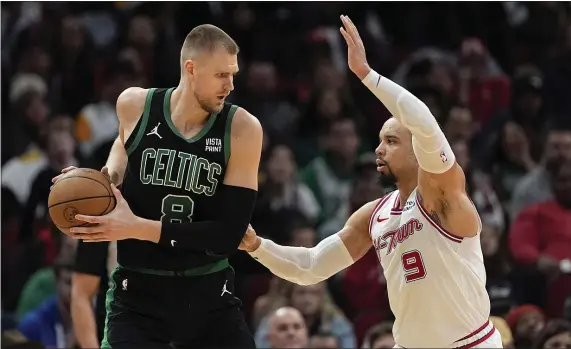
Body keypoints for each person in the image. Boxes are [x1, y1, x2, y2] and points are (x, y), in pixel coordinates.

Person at [239, 15, 501, 348]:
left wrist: (366, 74)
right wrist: (257, 247)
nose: (379, 148)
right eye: (379, 140)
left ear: (418, 148)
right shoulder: (374, 215)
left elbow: (425, 123)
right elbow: (311, 266)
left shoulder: (442, 194)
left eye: (391, 141)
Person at [52, 24, 262, 348]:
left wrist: (137, 227)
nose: (230, 85)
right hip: (137, 298)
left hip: (208, 296)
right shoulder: (135, 104)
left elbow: (227, 236)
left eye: (232, 74)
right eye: (221, 75)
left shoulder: (242, 129)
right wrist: (105, 179)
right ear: (191, 69)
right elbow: (122, 145)